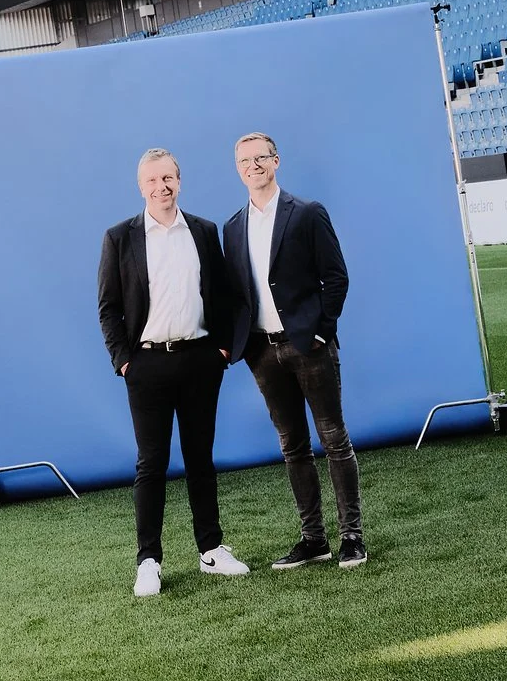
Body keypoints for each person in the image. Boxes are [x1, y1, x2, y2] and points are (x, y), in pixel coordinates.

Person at [97, 147, 251, 598]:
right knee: (152, 463)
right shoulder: (119, 238)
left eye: (169, 179)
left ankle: (211, 550)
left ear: (179, 182)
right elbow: (108, 307)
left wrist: (222, 350)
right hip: (146, 365)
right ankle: (148, 561)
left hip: (201, 360)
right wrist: (124, 360)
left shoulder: (203, 231)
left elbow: (223, 294)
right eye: (153, 181)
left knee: (201, 458)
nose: (161, 187)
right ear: (140, 187)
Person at [223, 132, 363, 570]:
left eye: (260, 157)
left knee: (334, 440)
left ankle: (352, 537)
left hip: (310, 347)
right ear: (238, 168)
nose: (253, 165)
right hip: (263, 354)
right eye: (244, 160)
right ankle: (313, 538)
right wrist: (241, 346)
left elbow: (336, 277)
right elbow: (235, 294)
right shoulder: (232, 228)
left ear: (276, 161)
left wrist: (322, 332)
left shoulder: (306, 214)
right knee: (292, 448)